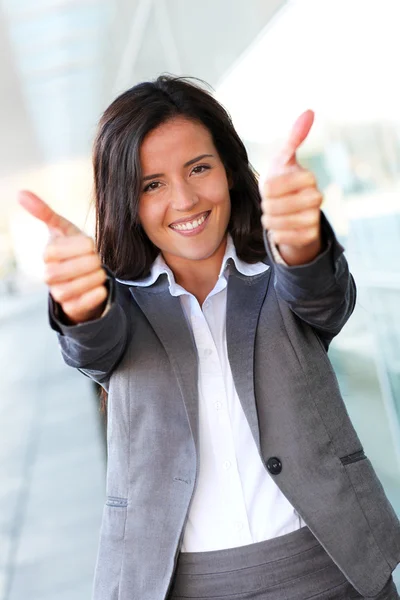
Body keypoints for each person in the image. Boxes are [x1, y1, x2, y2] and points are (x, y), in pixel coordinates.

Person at [19, 75, 400, 600]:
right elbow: (91, 343)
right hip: (184, 584)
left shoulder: (280, 272)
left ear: (229, 169)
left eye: (199, 168)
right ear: (125, 199)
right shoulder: (117, 304)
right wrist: (81, 306)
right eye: (152, 184)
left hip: (330, 566)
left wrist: (303, 244)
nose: (184, 199)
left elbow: (321, 295)